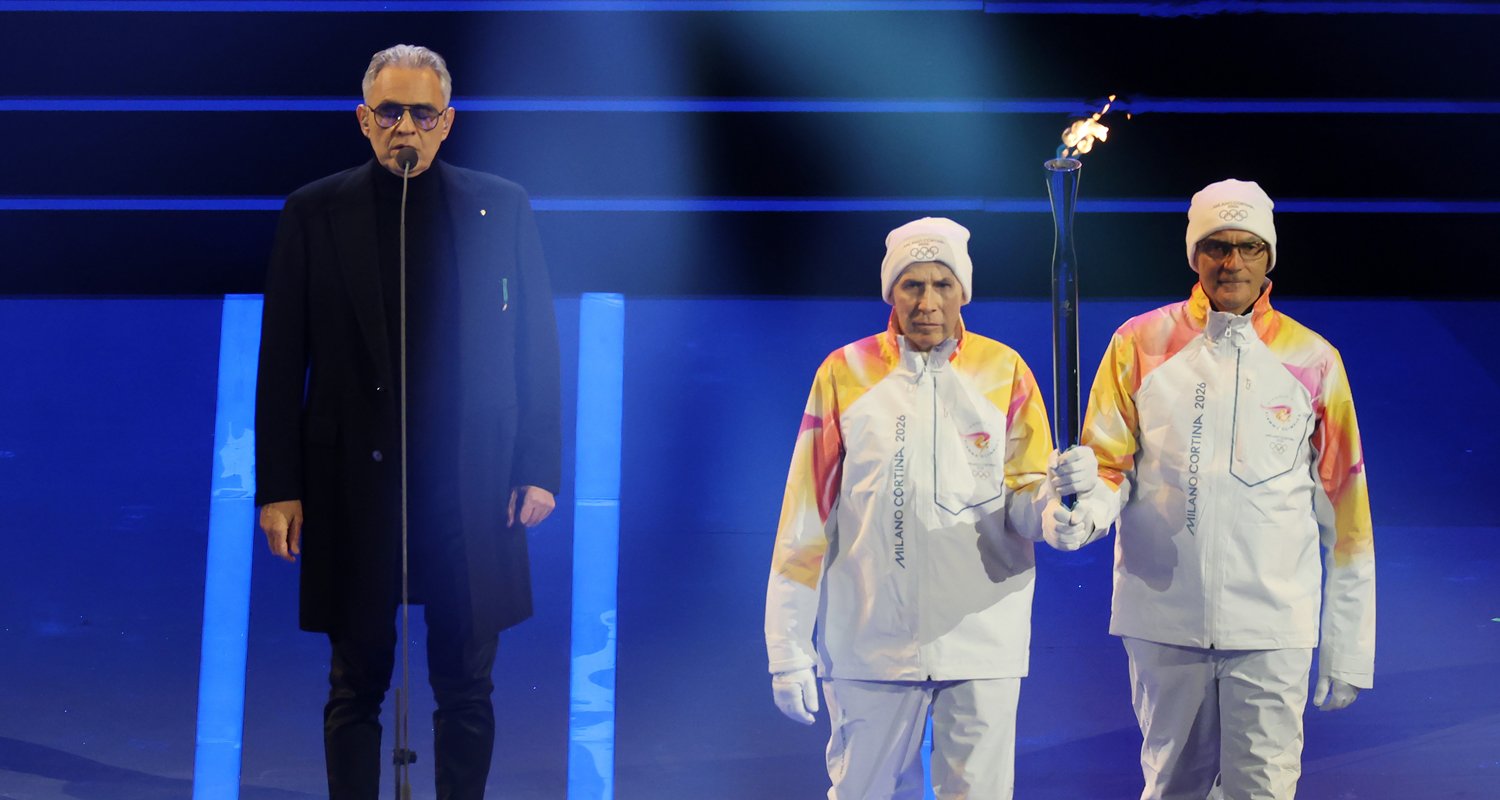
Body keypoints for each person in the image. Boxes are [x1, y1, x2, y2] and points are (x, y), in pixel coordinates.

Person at [254, 44, 561, 800]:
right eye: (390, 112)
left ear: (446, 123)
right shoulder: (314, 212)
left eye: (422, 114)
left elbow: (536, 345)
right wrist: (279, 487)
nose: (405, 128)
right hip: (354, 484)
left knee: (467, 680)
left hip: (472, 480)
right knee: (355, 680)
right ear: (364, 121)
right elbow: (280, 357)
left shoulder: (502, 206)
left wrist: (539, 464)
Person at [1044, 179, 1375, 799]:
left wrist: (1349, 646)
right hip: (1164, 617)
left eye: (1248, 247)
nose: (1233, 263)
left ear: (1268, 256)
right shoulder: (1138, 344)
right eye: (1217, 247)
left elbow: (1348, 520)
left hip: (1273, 624)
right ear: (1195, 254)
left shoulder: (1313, 360)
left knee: (1264, 790)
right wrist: (1079, 513)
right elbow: (1109, 469)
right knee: (1173, 787)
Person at [764, 217, 1053, 799]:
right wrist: (787, 650)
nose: (926, 303)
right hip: (871, 643)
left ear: (963, 292)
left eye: (942, 285)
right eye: (911, 286)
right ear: (890, 293)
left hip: (983, 640)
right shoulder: (845, 373)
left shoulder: (1005, 371)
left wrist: (1060, 508)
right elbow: (804, 520)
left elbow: (1029, 504)